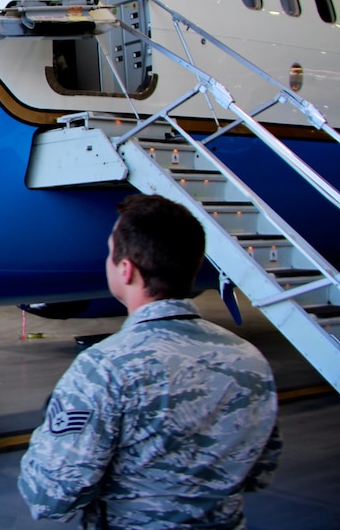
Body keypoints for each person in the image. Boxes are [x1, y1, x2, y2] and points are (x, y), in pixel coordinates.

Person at [18, 194, 282, 529]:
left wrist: (49, 431)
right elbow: (260, 472)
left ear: (125, 270)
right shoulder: (249, 360)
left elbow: (48, 496)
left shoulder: (104, 369)